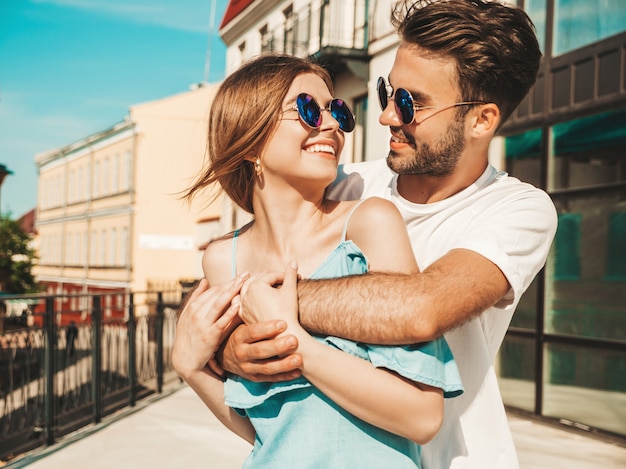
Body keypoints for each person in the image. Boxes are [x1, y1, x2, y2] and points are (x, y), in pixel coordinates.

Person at [200, 1, 558, 468]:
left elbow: (419, 308)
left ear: (481, 120)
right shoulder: (345, 185)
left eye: (411, 103)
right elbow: (255, 244)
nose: (387, 116)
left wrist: (263, 307)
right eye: (388, 92)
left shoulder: (518, 210)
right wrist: (229, 345)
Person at [173, 53, 464, 468]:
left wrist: (297, 342)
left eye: (338, 112)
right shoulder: (223, 260)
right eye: (309, 110)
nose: (331, 125)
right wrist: (190, 368)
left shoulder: (369, 225)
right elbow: (264, 430)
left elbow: (421, 417)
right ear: (251, 139)